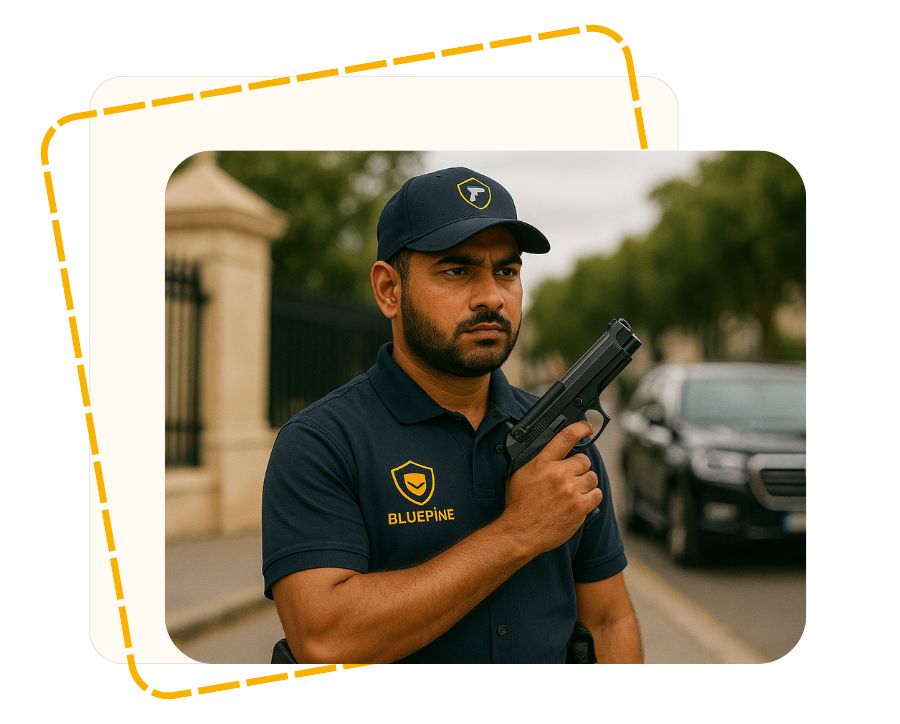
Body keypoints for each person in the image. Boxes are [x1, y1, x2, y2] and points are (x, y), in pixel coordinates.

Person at [261, 167, 643, 664]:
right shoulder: (322, 443)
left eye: (507, 272)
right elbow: (323, 639)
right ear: (389, 289)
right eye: (457, 271)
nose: (492, 296)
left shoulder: (565, 441)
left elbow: (609, 620)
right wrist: (518, 532)